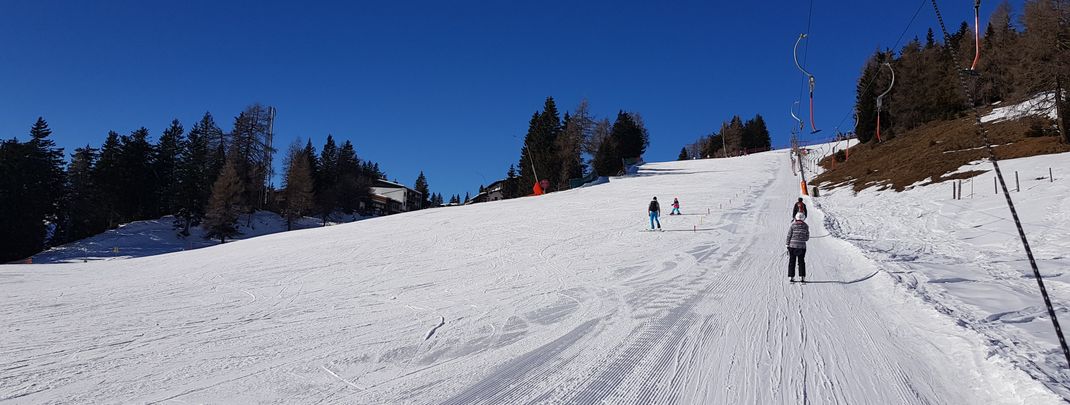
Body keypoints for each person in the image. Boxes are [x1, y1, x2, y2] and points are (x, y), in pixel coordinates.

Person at [786, 212, 810, 282]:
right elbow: (807, 238)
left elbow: (789, 235)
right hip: (802, 247)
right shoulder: (806, 226)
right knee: (801, 261)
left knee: (792, 261)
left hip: (792, 246)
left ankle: (791, 276)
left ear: (796, 217)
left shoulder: (792, 225)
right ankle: (802, 276)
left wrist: (787, 244)